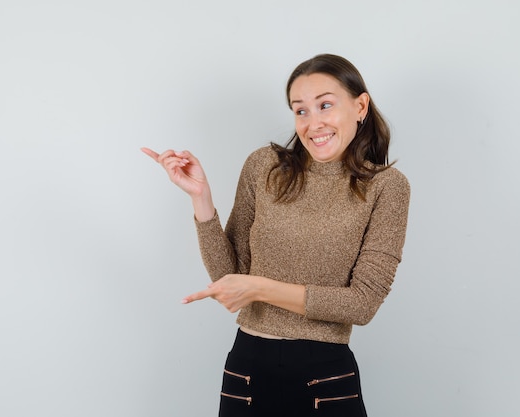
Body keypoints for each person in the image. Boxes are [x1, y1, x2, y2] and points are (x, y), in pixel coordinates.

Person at [141, 53, 410, 417]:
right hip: (247, 370)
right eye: (300, 111)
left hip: (325, 378)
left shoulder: (386, 187)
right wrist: (200, 198)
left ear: (360, 106)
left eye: (325, 105)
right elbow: (228, 277)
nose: (313, 123)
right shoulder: (263, 167)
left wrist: (259, 289)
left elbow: (362, 304)